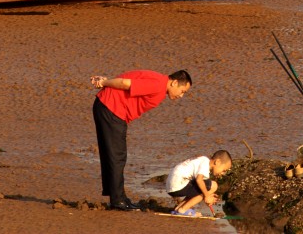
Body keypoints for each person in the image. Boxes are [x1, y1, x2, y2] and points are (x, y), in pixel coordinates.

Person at [90, 69, 192, 211]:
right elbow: (125, 83)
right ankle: (118, 200)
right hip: (111, 109)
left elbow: (129, 80)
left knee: (113, 155)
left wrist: (106, 81)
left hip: (108, 107)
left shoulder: (159, 81)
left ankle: (118, 197)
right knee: (117, 156)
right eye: (182, 91)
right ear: (174, 82)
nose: (181, 95)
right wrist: (104, 82)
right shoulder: (158, 84)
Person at [166, 150, 232, 217]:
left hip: (172, 186)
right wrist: (207, 196)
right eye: (224, 170)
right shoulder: (205, 164)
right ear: (217, 162)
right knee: (213, 186)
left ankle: (179, 208)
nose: (223, 174)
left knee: (204, 188)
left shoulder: (203, 161)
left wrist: (207, 194)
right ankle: (183, 210)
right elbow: (199, 180)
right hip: (178, 185)